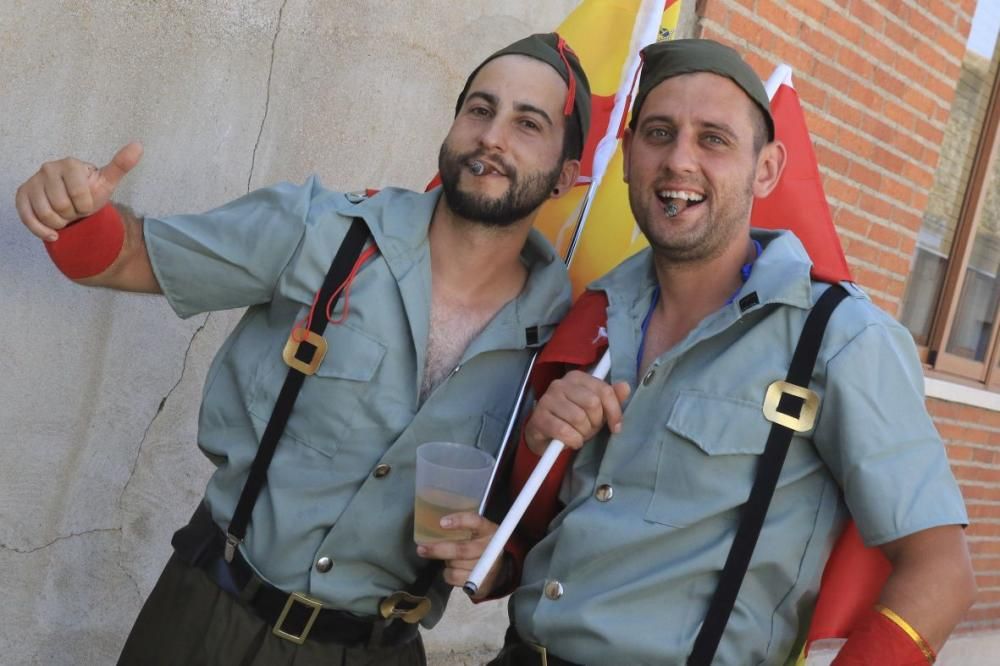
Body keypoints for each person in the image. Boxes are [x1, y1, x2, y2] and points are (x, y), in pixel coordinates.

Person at [14, 33, 591, 666]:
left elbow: (528, 531)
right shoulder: (322, 232)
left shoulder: (565, 343)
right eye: (479, 110)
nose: (492, 136)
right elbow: (126, 256)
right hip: (210, 620)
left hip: (376, 650)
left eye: (527, 123)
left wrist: (496, 558)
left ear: (566, 174)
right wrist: (72, 212)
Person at [469, 39, 975, 665]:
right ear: (627, 159)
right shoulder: (594, 312)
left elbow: (941, 571)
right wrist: (538, 442)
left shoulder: (840, 338)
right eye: (658, 133)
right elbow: (549, 530)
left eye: (714, 138)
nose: (679, 160)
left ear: (766, 169)